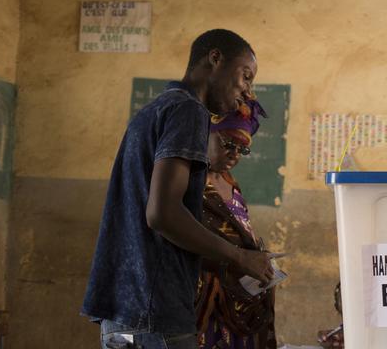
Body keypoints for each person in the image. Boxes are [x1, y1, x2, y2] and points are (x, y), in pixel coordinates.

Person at [82, 29, 274, 349]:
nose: (247, 92)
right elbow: (163, 214)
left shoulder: (157, 109)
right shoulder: (189, 111)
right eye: (245, 76)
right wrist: (239, 257)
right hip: (155, 310)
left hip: (125, 308)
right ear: (215, 58)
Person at [195, 98, 277, 348]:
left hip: (241, 303)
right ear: (204, 135)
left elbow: (240, 234)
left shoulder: (232, 185)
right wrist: (236, 258)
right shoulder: (188, 183)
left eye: (242, 149)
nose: (234, 154)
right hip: (204, 304)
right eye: (228, 143)